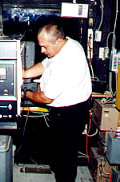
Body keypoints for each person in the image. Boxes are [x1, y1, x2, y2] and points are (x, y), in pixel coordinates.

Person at [22, 22, 92, 182]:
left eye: (45, 47)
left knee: (65, 159)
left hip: (69, 114)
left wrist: (25, 93)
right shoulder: (69, 44)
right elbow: (45, 64)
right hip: (66, 112)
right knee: (59, 153)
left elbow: (46, 97)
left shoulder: (65, 63)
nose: (42, 51)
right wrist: (24, 73)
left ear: (58, 42)